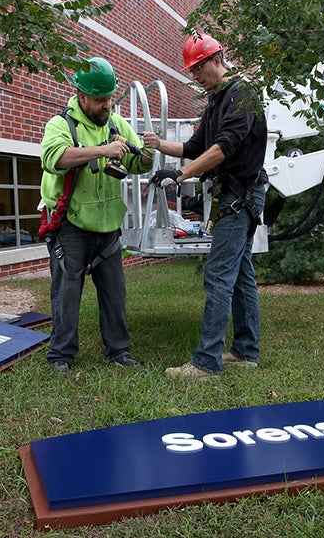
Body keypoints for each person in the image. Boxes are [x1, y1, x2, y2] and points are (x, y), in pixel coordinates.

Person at [143, 33, 268, 380]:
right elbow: (195, 146)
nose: (195, 77)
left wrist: (181, 176)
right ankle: (245, 352)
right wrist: (159, 146)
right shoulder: (216, 100)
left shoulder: (242, 95)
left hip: (240, 196)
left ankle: (206, 363)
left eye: (198, 69)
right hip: (235, 195)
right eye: (192, 71)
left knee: (218, 274)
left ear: (217, 59)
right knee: (241, 273)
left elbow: (223, 148)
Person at [39, 56, 153, 373]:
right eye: (101, 100)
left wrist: (146, 152)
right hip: (71, 223)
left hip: (108, 225)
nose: (107, 106)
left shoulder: (116, 124)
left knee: (115, 292)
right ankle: (61, 355)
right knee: (67, 293)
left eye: (110, 99)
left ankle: (118, 350)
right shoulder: (61, 124)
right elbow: (55, 157)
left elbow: (138, 163)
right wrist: (103, 150)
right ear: (82, 96)